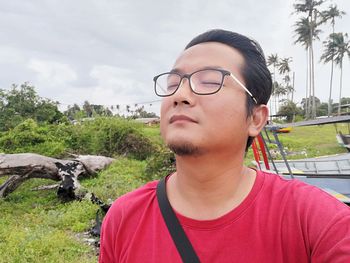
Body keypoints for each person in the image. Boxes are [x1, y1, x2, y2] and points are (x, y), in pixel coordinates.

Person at [99, 29, 350, 262]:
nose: (179, 95)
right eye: (174, 83)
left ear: (255, 118)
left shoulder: (315, 220)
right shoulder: (124, 217)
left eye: (209, 81)